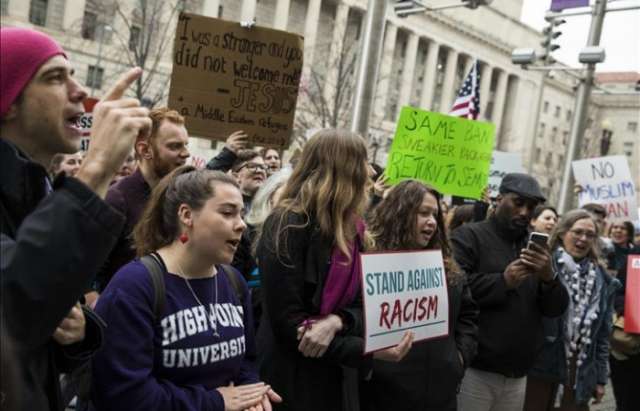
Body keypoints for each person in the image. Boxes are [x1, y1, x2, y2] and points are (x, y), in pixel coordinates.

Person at [0, 27, 151, 411]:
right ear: (8, 103)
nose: (81, 91)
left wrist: (79, 331)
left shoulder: (39, 191)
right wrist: (97, 166)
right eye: (54, 77)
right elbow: (13, 305)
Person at [91, 166, 281, 411]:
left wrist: (253, 396)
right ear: (186, 215)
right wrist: (215, 401)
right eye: (227, 213)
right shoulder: (134, 286)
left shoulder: (234, 282)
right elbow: (125, 394)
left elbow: (246, 363)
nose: (241, 224)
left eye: (241, 214)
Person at [255, 129, 413, 411]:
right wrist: (367, 349)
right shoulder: (287, 225)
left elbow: (365, 305)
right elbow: (289, 328)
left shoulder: (356, 232)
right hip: (290, 383)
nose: (371, 171)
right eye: (363, 162)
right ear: (342, 169)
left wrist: (337, 322)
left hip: (336, 380)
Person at [450, 173, 569, 411]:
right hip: (475, 370)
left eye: (531, 206)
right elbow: (454, 289)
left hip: (518, 375)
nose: (525, 212)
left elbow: (556, 308)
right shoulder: (469, 236)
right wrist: (502, 282)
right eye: (518, 203)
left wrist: (549, 278)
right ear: (499, 198)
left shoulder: (535, 247)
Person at [361, 180, 478, 411]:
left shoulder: (446, 267)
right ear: (400, 214)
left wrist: (459, 358)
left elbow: (468, 314)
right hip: (383, 395)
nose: (432, 222)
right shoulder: (370, 263)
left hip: (440, 396)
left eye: (435, 214)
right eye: (423, 213)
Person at [525, 210, 619, 410]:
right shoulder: (543, 267)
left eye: (590, 234)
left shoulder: (602, 280)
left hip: (578, 371)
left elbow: (602, 335)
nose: (583, 239)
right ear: (562, 233)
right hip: (540, 365)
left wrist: (601, 378)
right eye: (577, 232)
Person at [95, 107, 190, 292]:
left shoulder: (181, 197)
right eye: (175, 146)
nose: (186, 153)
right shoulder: (117, 199)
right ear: (145, 150)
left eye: (186, 144)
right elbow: (90, 272)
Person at [609, 243, 640, 411]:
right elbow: (618, 290)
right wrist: (627, 309)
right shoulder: (637, 255)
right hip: (630, 347)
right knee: (628, 401)